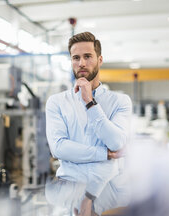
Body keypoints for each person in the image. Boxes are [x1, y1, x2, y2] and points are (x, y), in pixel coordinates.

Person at [45, 32, 132, 216]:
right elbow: (59, 148)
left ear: (99, 60)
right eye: (76, 58)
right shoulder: (57, 102)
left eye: (87, 56)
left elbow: (116, 143)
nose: (81, 63)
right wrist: (105, 154)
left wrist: (90, 102)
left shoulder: (120, 102)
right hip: (68, 192)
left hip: (108, 194)